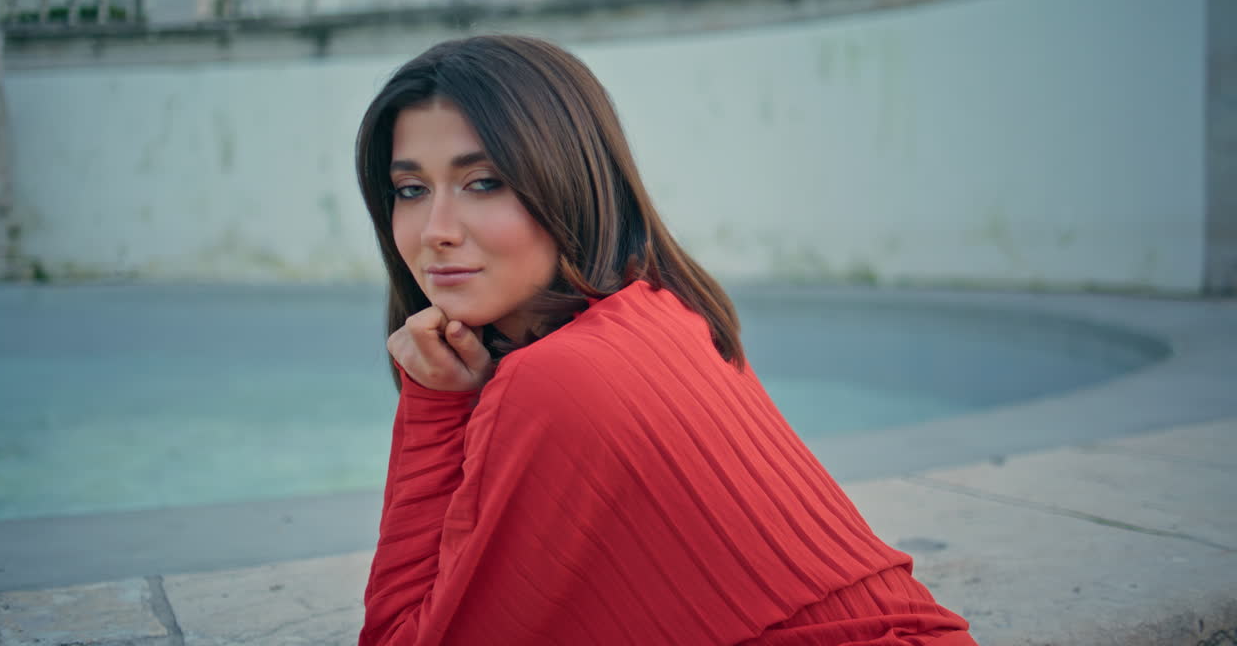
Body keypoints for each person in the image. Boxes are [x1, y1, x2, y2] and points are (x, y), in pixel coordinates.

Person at [354, 34, 978, 646]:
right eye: (410, 190)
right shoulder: (668, 313)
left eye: (484, 182)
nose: (435, 230)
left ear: (569, 181)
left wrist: (434, 406)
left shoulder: (555, 381)